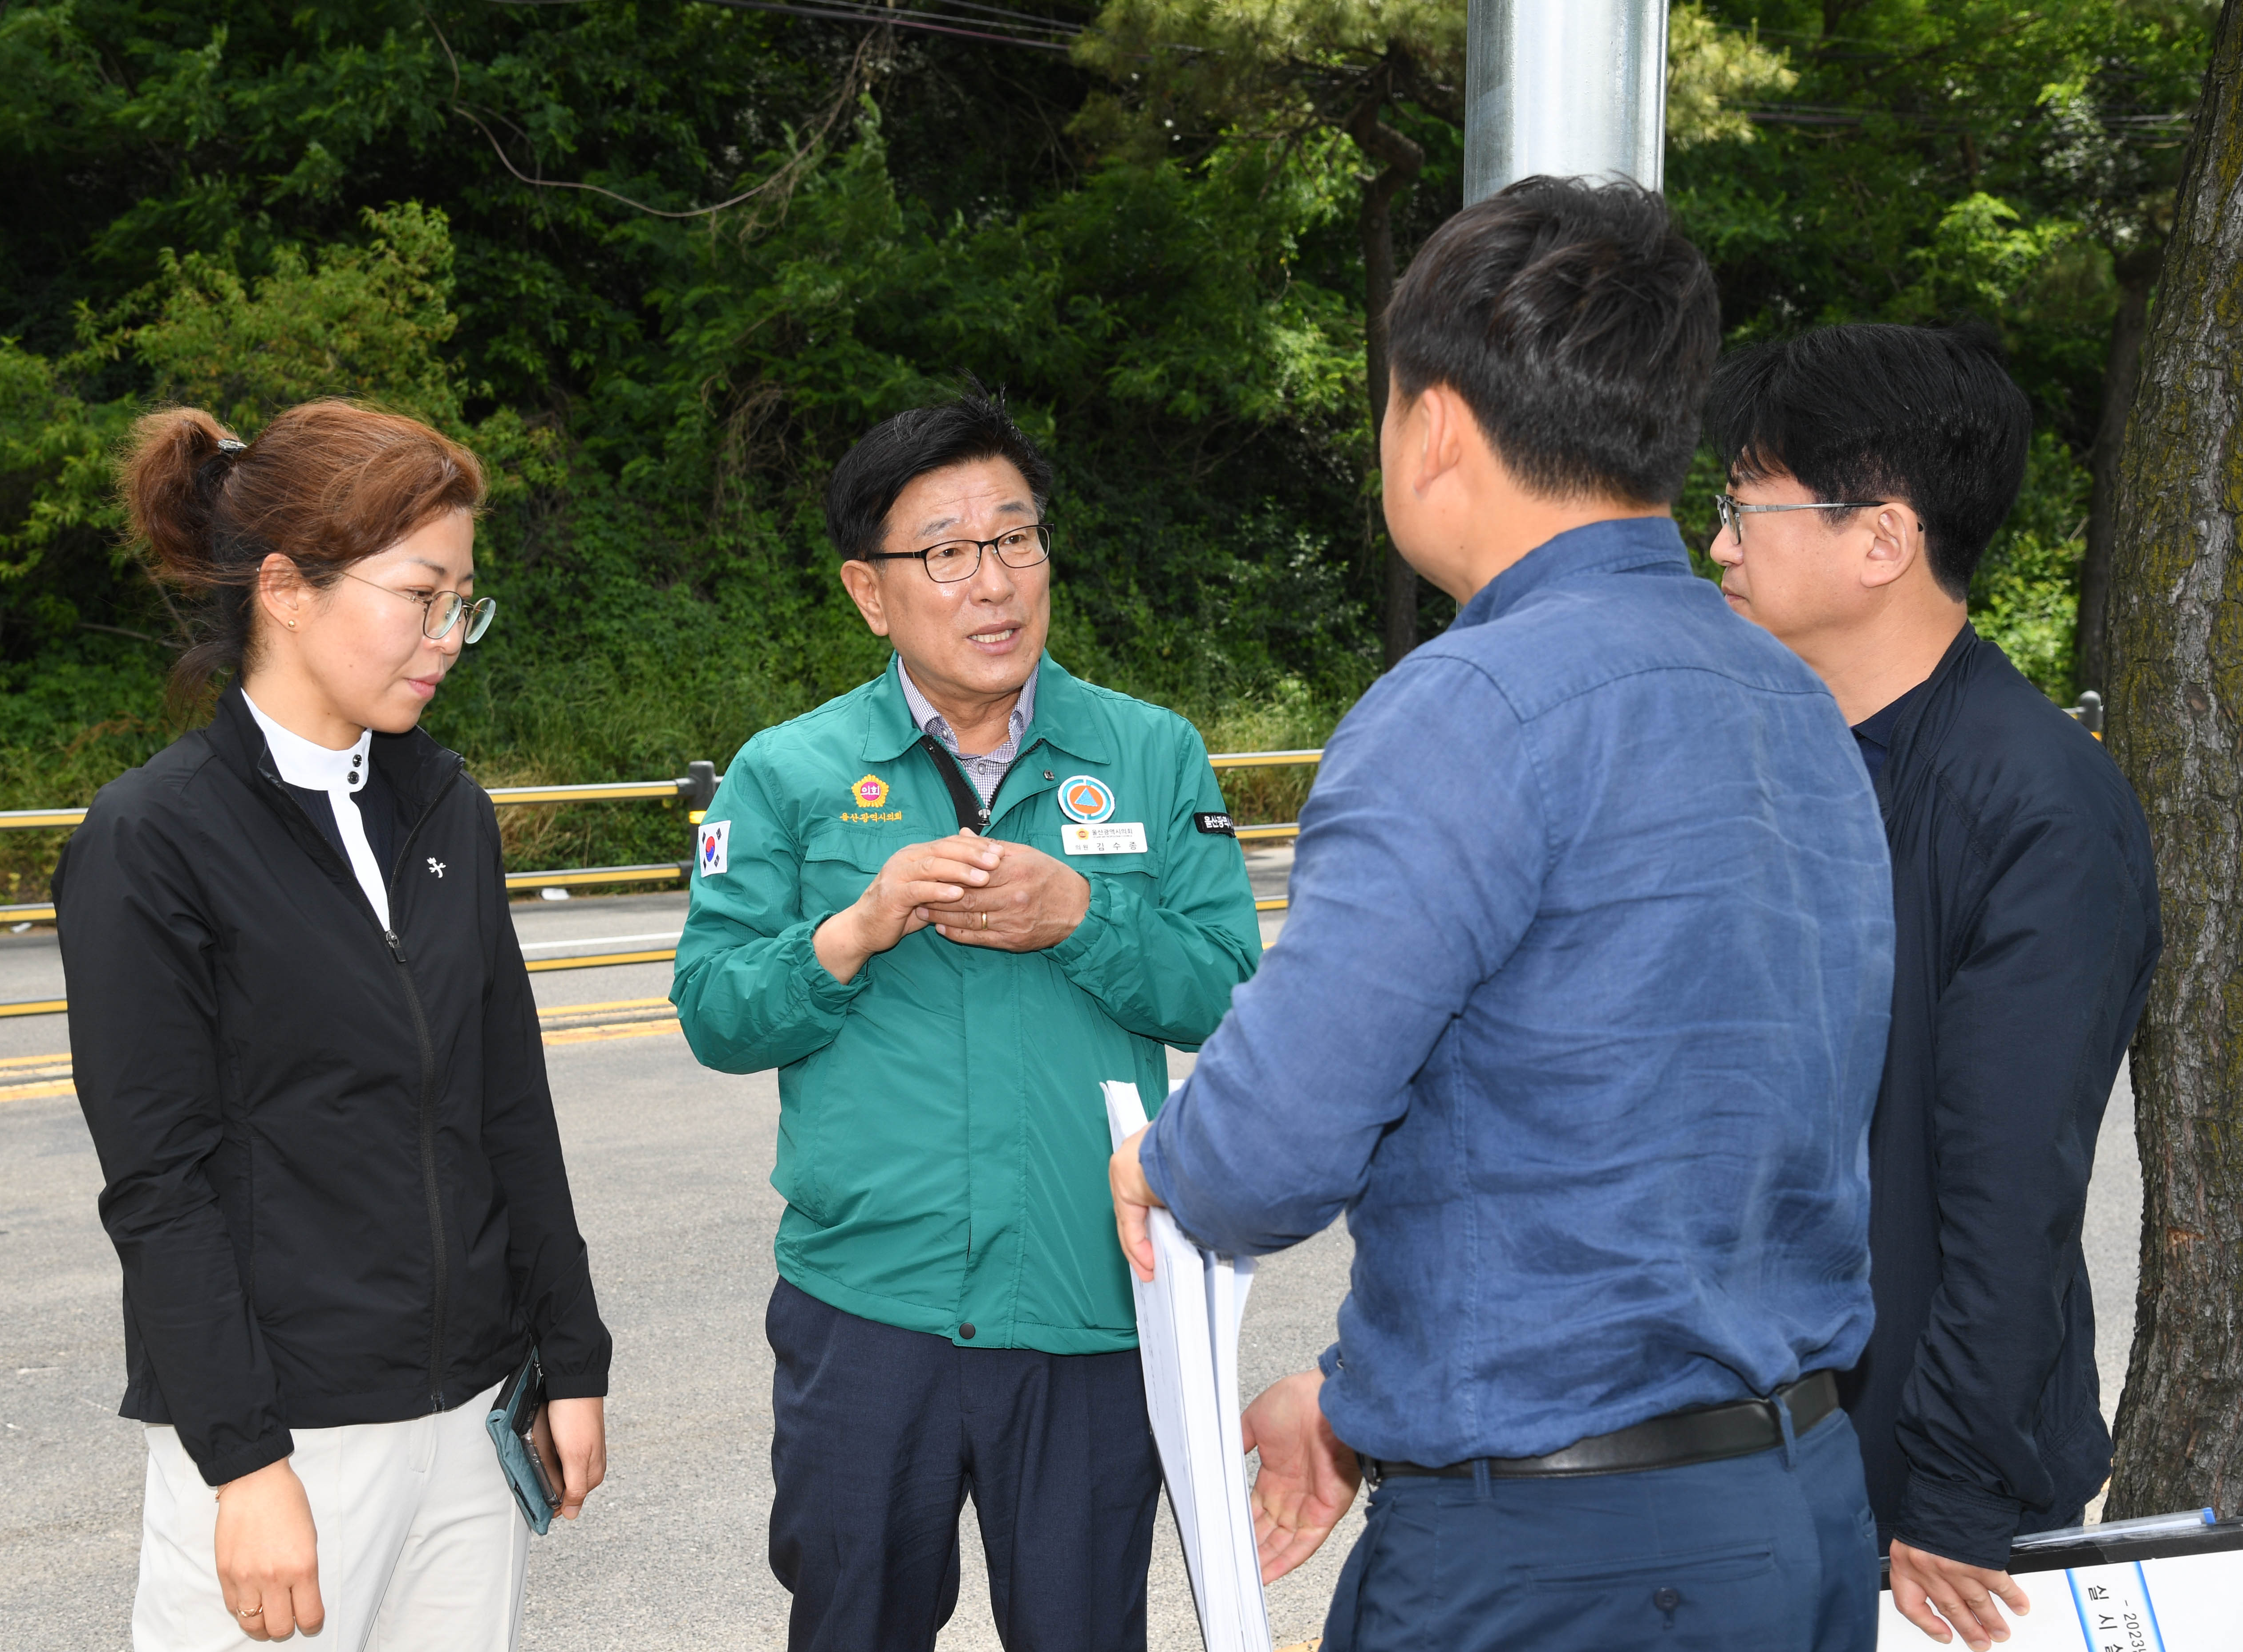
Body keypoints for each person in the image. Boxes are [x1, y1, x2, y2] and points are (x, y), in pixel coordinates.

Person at [1107, 178, 1895, 1651]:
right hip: (1794, 1514)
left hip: (1559, 1559)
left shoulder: (1468, 709)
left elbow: (1273, 1151)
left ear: (1436, 425)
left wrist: (1164, 1159)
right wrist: (1351, 1397)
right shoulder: (1797, 702)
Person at [669, 386, 1263, 1652]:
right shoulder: (794, 771)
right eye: (946, 552)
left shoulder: (1151, 753)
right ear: (871, 592)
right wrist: (853, 931)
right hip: (869, 1311)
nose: (992, 582)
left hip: (1092, 1308)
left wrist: (1086, 917)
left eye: (1015, 539)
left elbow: (1232, 994)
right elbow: (717, 1010)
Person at [54, 401, 613, 1651]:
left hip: (469, 1427)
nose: (448, 637)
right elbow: (161, 1187)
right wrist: (242, 1466)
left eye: (464, 599)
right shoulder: (155, 842)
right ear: (286, 590)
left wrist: (570, 1356)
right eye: (420, 594)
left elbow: (507, 1104)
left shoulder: (447, 810)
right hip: (287, 1440)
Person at [1704, 324, 2162, 1651]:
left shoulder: (2037, 808)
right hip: (1753, 1454)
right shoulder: (1772, 761)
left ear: (1880, 540)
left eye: (1744, 506)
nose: (1720, 544)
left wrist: (1954, 1490)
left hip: (1924, 1502)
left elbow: (2013, 1189)